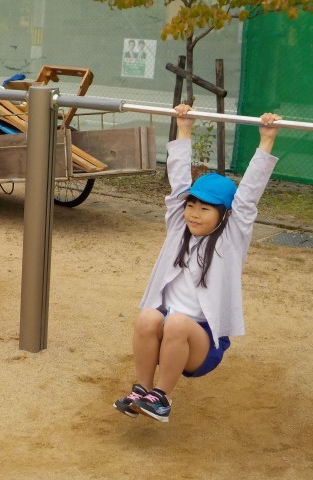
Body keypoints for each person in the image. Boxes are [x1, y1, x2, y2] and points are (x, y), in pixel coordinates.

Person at [113, 104, 282, 423]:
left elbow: (248, 196)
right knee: (148, 317)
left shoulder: (231, 239)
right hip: (167, 331)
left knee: (177, 322)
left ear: (225, 215)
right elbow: (178, 181)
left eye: (205, 209)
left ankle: (162, 398)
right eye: (191, 205)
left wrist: (267, 139)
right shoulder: (179, 227)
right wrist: (184, 128)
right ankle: (142, 390)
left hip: (202, 343)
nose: (193, 214)